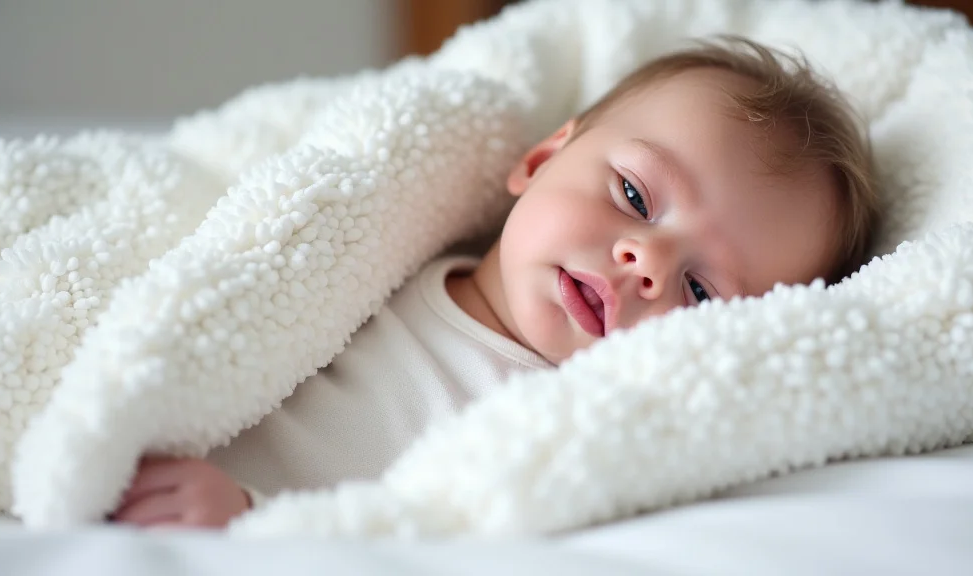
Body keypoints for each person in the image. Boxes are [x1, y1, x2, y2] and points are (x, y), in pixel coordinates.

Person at [111, 37, 879, 529]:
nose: (646, 263)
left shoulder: (563, 435)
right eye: (635, 197)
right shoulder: (378, 255)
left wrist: (249, 519)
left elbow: (434, 532)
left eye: (702, 293)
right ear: (541, 161)